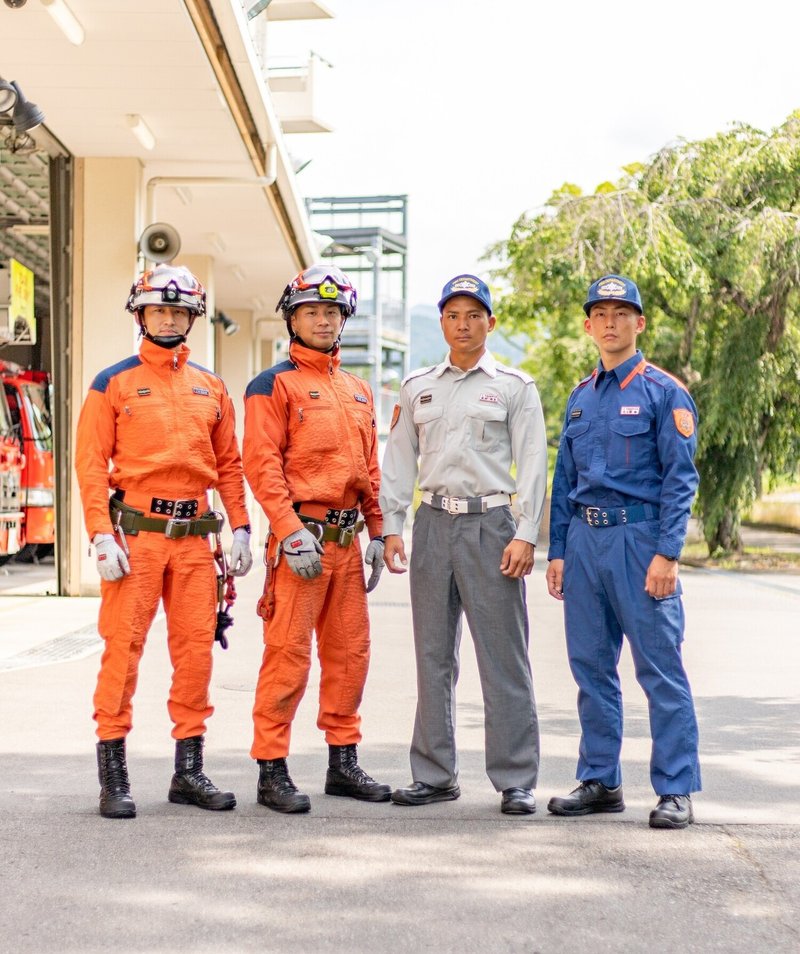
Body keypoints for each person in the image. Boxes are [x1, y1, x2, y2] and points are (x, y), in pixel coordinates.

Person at [75, 264, 253, 820]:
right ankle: (114, 777)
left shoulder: (212, 385)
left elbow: (229, 464)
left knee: (196, 654)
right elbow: (89, 465)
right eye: (159, 309)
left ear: (192, 317)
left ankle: (189, 772)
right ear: (140, 314)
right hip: (137, 538)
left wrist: (242, 525)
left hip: (198, 541)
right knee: (122, 653)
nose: (169, 317)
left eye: (179, 310)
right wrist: (101, 535)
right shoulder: (113, 382)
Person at [380, 274, 548, 814]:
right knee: (432, 655)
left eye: (474, 314)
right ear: (444, 322)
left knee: (503, 657)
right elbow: (400, 460)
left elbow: (535, 464)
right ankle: (434, 774)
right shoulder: (418, 387)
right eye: (452, 315)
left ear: (490, 323)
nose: (463, 324)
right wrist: (391, 526)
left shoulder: (514, 387)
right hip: (432, 524)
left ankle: (515, 778)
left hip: (492, 526)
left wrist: (526, 533)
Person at [545, 274, 701, 830]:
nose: (610, 323)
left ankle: (676, 788)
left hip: (641, 542)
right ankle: (600, 779)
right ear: (589, 326)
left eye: (621, 313)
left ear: (639, 323)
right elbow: (564, 479)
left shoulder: (664, 392)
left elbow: (681, 479)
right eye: (600, 314)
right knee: (590, 665)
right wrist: (557, 549)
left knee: (659, 667)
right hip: (585, 543)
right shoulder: (580, 397)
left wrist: (669, 553)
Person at [242, 264, 390, 814]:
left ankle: (343, 762)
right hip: (300, 541)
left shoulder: (356, 390)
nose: (323, 319)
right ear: (292, 318)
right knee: (288, 655)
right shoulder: (272, 384)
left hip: (348, 543)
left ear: (343, 318)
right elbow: (262, 465)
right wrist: (287, 530)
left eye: (332, 311)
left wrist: (377, 530)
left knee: (350, 654)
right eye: (311, 311)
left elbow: (369, 470)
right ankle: (271, 768)